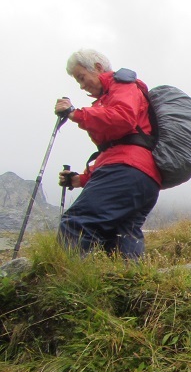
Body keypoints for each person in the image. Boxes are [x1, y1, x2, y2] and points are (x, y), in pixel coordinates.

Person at [54, 49, 161, 258]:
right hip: (143, 177)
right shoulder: (113, 94)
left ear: (97, 67)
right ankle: (131, 286)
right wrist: (80, 179)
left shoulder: (123, 86)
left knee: (76, 224)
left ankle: (67, 283)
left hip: (125, 169)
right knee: (122, 235)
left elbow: (122, 118)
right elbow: (117, 146)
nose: (81, 85)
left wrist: (74, 113)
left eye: (81, 77)